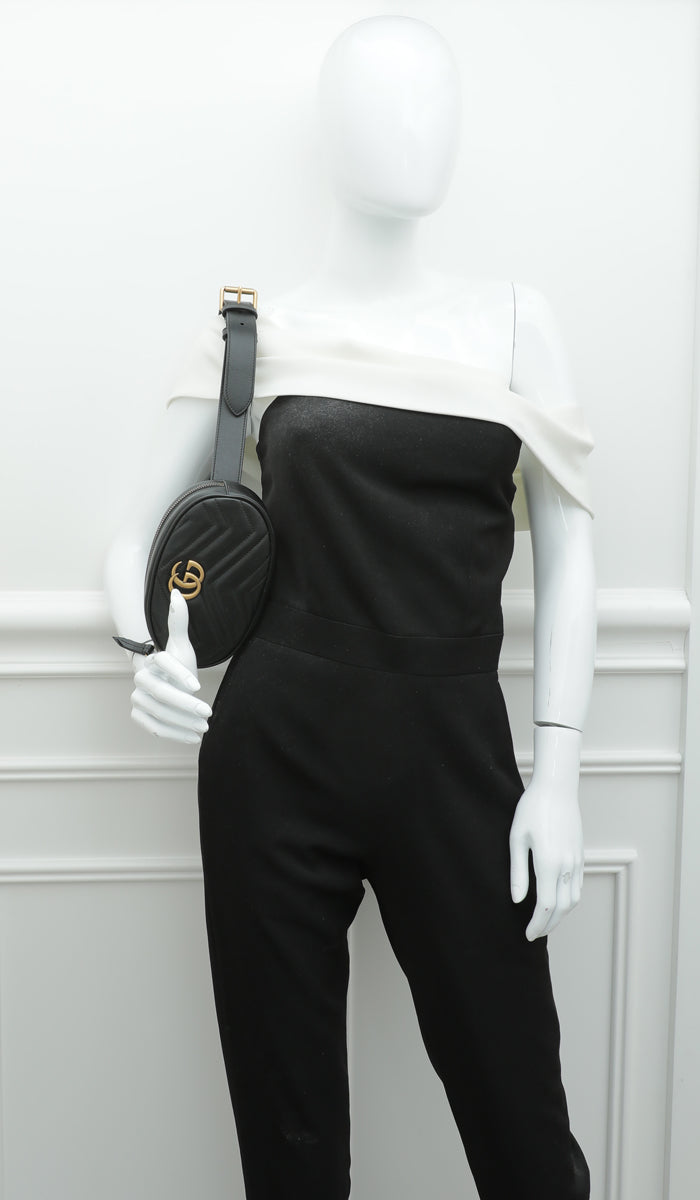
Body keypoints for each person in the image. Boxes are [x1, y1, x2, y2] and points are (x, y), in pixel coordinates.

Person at [104, 15, 595, 1200]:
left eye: (436, 104)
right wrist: (150, 642)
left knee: (527, 1139)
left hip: (456, 757)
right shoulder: (254, 330)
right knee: (290, 1145)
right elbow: (133, 537)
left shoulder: (516, 323)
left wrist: (560, 774)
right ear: (328, 132)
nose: (416, 132)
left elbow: (574, 549)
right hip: (273, 757)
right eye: (382, 104)